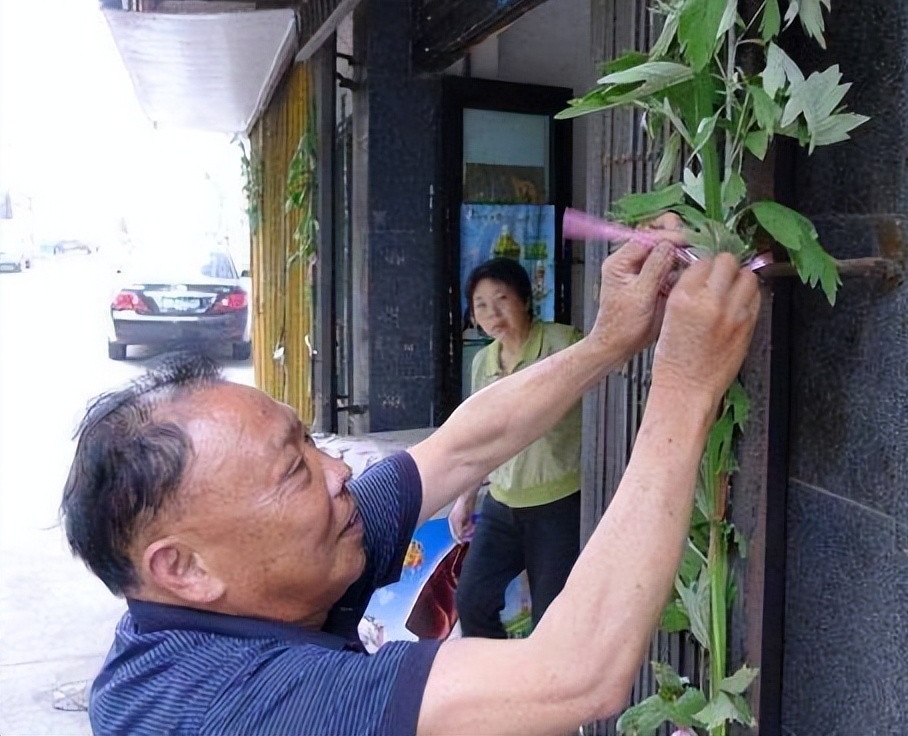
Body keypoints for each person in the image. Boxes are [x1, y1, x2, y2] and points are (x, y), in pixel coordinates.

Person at [62, 232, 761, 736]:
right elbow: (576, 672)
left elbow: (461, 449)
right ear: (183, 567)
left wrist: (610, 341)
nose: (339, 471)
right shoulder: (228, 706)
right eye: (292, 469)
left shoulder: (280, 562)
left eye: (312, 443)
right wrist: (686, 385)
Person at [449, 257, 582, 639]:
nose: (492, 313)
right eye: (481, 305)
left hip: (558, 505)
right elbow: (480, 436)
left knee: (552, 618)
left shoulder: (563, 342)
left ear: (525, 299)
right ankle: (499, 684)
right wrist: (466, 498)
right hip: (502, 506)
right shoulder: (482, 362)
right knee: (472, 600)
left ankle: (546, 695)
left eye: (502, 299)